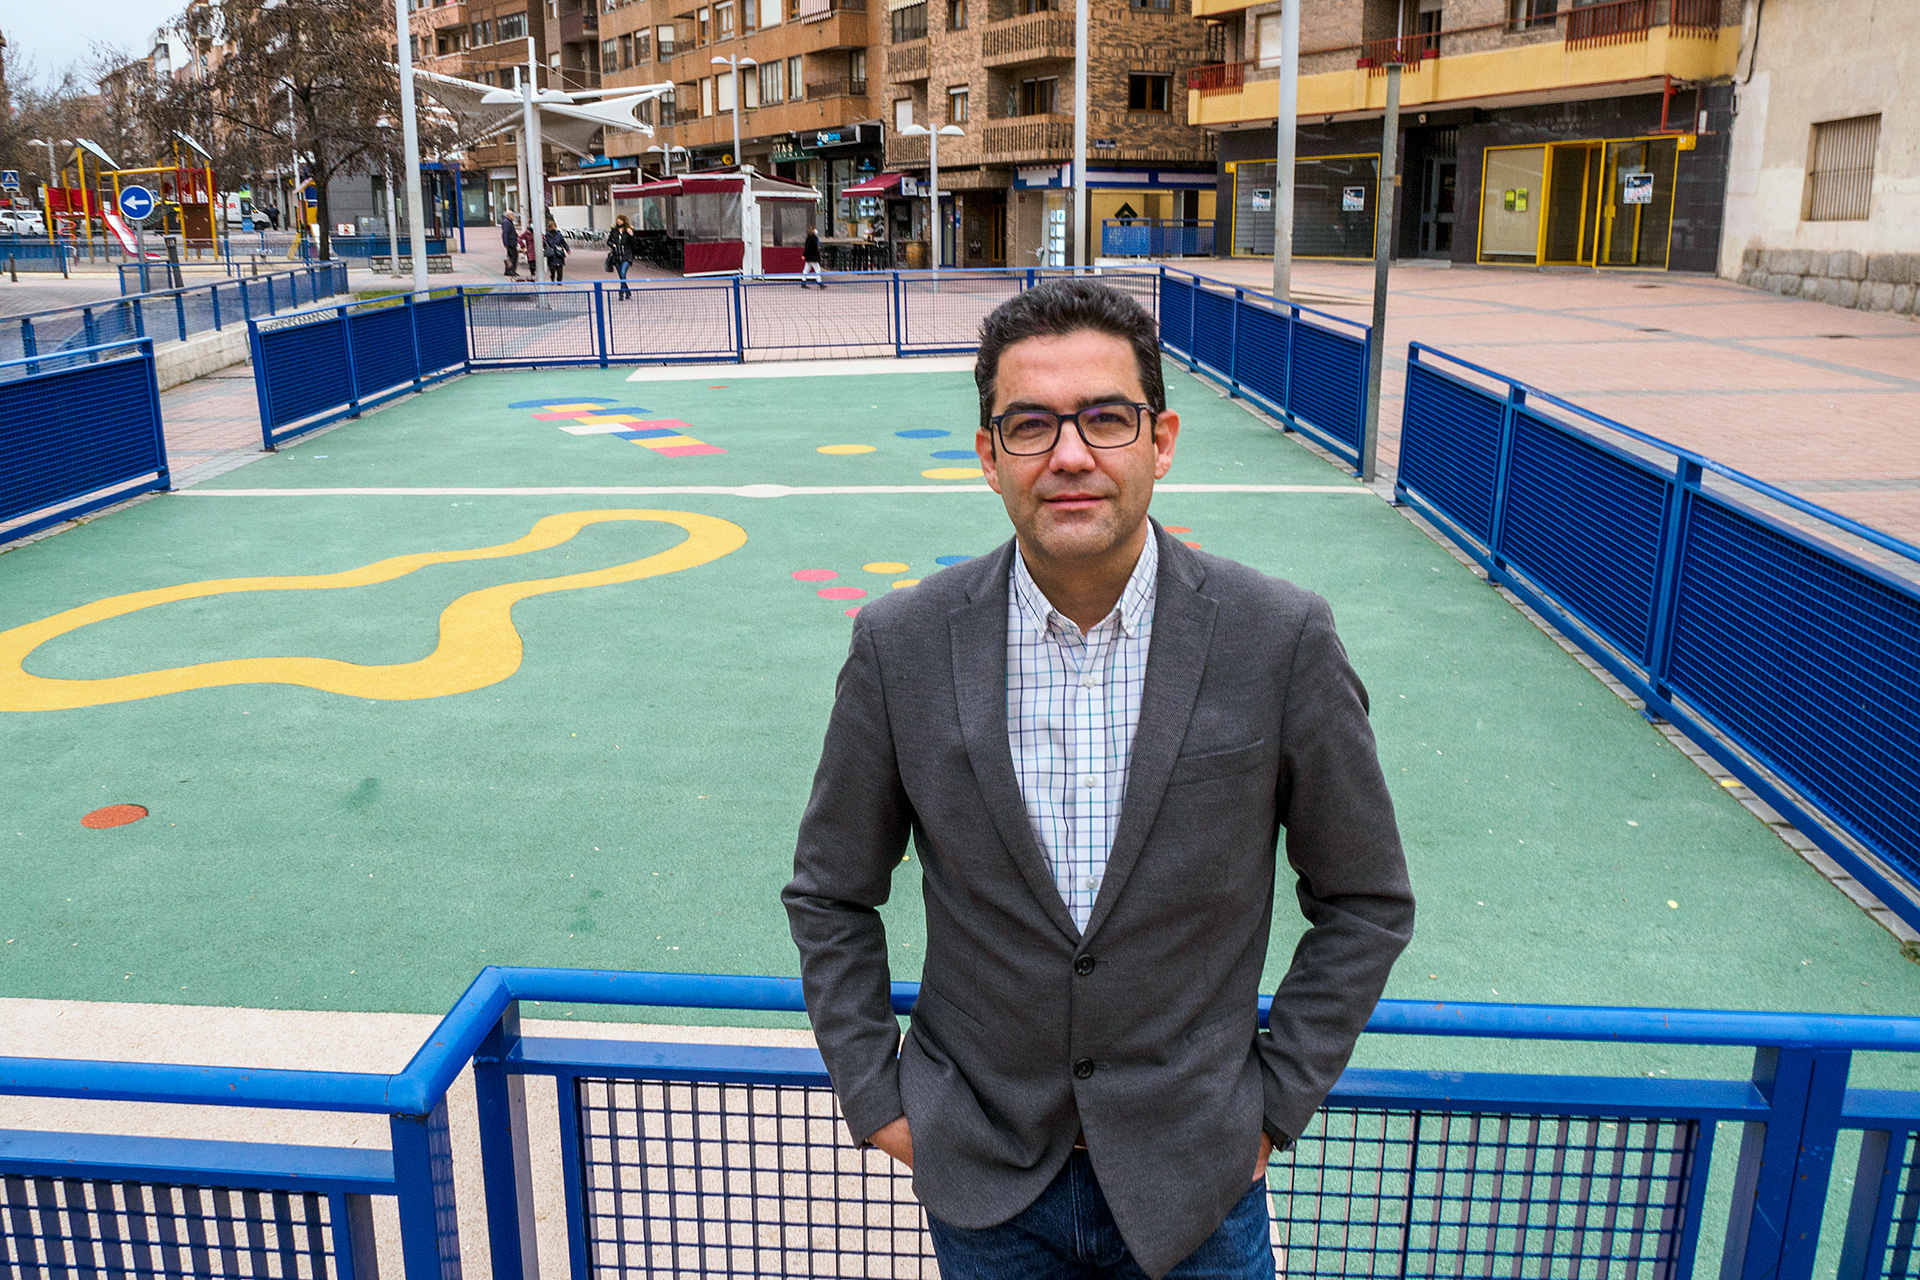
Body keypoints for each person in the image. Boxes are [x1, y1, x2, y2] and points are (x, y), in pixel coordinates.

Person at [784, 279, 1415, 1280]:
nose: (1070, 454)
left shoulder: (1279, 637)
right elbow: (830, 890)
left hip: (1199, 1186)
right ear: (989, 455)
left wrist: (1273, 1104)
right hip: (987, 1185)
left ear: (1159, 440)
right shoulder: (899, 643)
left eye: (1105, 419)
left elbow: (1366, 898)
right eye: (1030, 424)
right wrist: (881, 1100)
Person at [606, 214, 636, 299]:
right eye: (618, 219)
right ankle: (627, 291)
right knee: (621, 276)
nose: (619, 221)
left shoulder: (628, 230)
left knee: (623, 273)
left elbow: (634, 244)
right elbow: (608, 241)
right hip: (616, 256)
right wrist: (612, 244)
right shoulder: (614, 231)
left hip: (626, 255)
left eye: (621, 219)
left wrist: (632, 235)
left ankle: (621, 293)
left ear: (624, 221)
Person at [500, 211, 519, 278]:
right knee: (513, 256)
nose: (513, 216)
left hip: (512, 241)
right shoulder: (506, 223)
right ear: (508, 215)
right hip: (510, 242)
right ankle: (510, 270)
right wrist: (505, 243)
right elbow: (505, 233)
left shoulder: (508, 222)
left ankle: (509, 270)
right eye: (512, 215)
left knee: (511, 257)